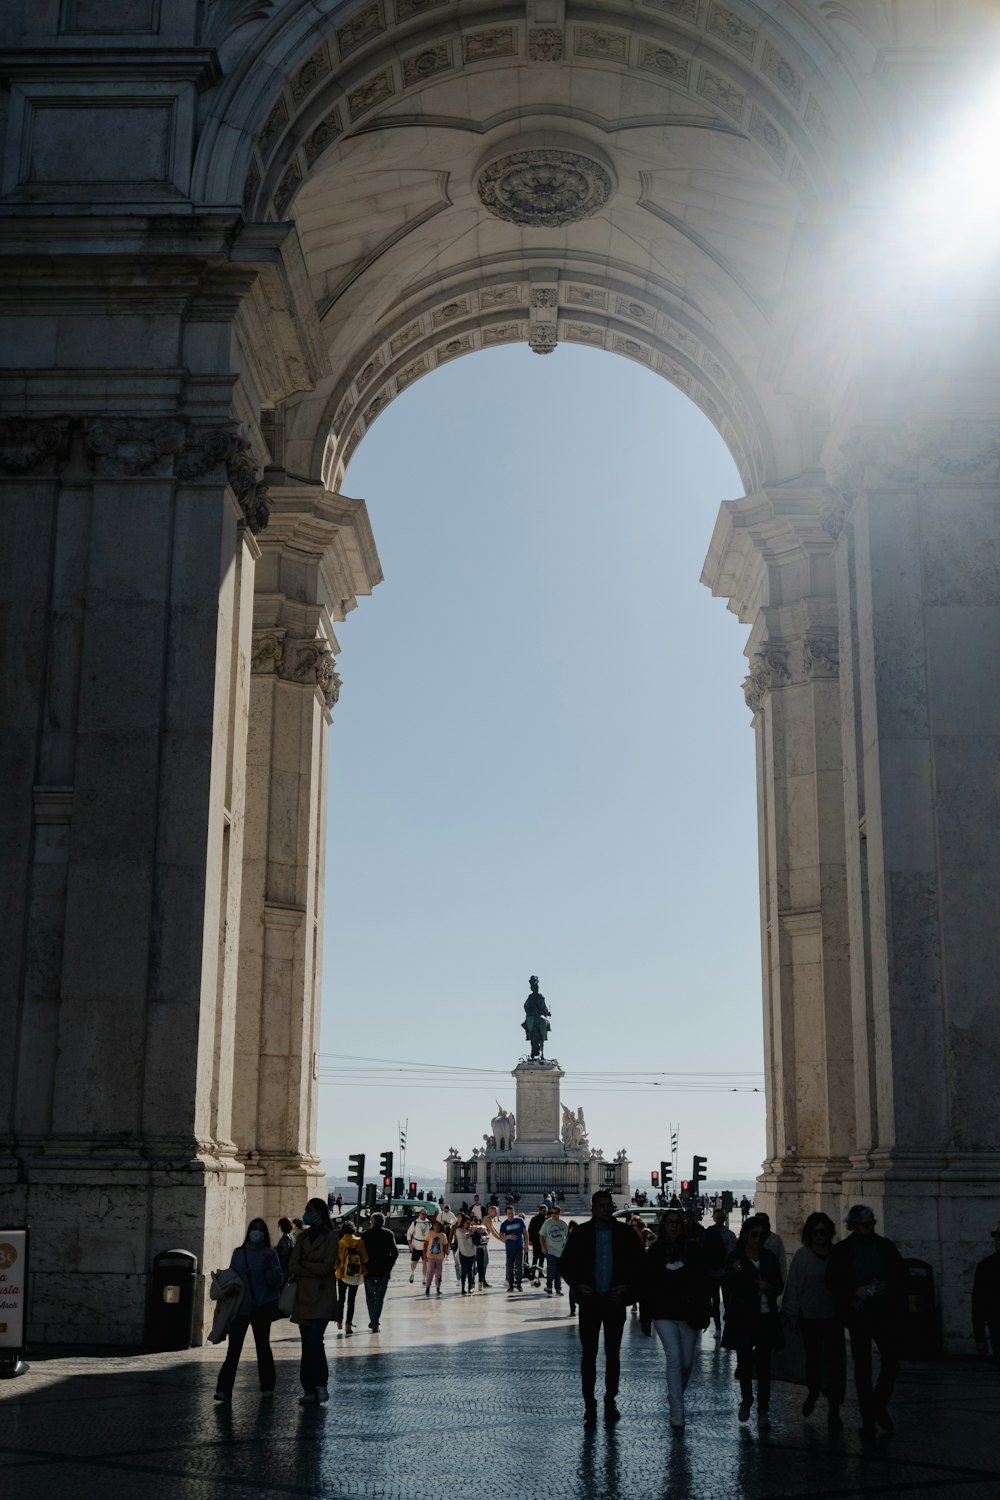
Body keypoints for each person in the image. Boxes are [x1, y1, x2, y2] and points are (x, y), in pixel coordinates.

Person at [560, 1189, 647, 1424]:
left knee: (613, 1355)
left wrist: (627, 1287)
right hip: (590, 1302)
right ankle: (590, 1403)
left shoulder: (625, 1233)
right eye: (602, 1205)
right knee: (588, 1355)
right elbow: (566, 1264)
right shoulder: (581, 1233)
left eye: (609, 1205)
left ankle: (610, 1399)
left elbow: (640, 1265)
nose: (606, 1209)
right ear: (593, 1208)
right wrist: (578, 1285)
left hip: (614, 1302)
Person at [826, 1204, 906, 1437]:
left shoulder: (885, 1246)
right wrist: (855, 1290)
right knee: (863, 1368)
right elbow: (832, 1281)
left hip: (883, 1313)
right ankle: (868, 1418)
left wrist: (887, 1286)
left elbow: (900, 1274)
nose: (870, 1228)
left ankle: (877, 1403)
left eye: (872, 1224)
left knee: (892, 1362)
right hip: (857, 1316)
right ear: (853, 1225)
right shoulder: (843, 1250)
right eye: (865, 1224)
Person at [640, 1209, 712, 1430]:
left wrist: (706, 1309)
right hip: (663, 1312)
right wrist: (646, 1317)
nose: (673, 1226)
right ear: (663, 1227)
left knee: (687, 1362)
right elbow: (646, 1286)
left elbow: (703, 1281)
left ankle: (675, 1395)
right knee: (674, 1358)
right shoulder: (654, 1252)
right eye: (669, 1222)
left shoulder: (693, 1250)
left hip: (688, 1313)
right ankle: (677, 1410)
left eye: (677, 1222)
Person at [782, 1212, 846, 1430]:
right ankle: (813, 1391)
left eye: (823, 1231)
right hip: (809, 1319)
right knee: (813, 1361)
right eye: (815, 1231)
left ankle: (834, 1408)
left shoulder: (837, 1255)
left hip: (833, 1318)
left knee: (836, 1365)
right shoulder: (802, 1256)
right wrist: (790, 1313)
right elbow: (792, 1287)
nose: (819, 1235)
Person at [722, 1216, 784, 1430]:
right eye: (754, 1234)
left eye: (762, 1235)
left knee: (765, 1367)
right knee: (745, 1364)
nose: (758, 1239)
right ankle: (747, 1399)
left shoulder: (769, 1258)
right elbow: (728, 1284)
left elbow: (779, 1285)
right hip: (743, 1318)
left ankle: (763, 1410)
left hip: (766, 1317)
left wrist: (769, 1286)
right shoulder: (735, 1258)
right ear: (746, 1235)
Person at [214, 1218, 284, 1402]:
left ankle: (268, 1386)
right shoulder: (238, 1254)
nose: (257, 1232)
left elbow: (277, 1281)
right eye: (254, 1229)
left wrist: (269, 1265)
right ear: (249, 1232)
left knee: (263, 1347)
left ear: (265, 1234)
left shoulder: (270, 1253)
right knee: (233, 1349)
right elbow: (233, 1277)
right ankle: (224, 1389)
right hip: (240, 1309)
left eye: (260, 1229)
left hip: (262, 1307)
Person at [287, 1197, 340, 1405]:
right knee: (306, 1344)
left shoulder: (331, 1237)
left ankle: (320, 1384)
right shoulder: (302, 1237)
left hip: (322, 1297)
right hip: (304, 1297)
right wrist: (313, 1267)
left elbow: (327, 1266)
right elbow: (293, 1265)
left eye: (309, 1210)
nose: (306, 1214)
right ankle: (308, 1389)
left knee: (314, 1340)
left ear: (319, 1213)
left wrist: (305, 1266)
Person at [700, 1206, 737, 1335]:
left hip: (726, 1273)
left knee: (727, 1301)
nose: (720, 1220)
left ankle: (727, 1326)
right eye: (718, 1218)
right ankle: (717, 1327)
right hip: (712, 1273)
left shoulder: (730, 1235)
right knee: (715, 1301)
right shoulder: (708, 1233)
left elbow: (734, 1253)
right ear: (714, 1218)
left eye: (722, 1218)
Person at [361, 1211, 398, 1332]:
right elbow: (395, 1253)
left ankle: (373, 1321)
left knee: (370, 1297)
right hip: (383, 1271)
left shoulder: (366, 1235)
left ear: (373, 1222)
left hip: (369, 1270)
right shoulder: (388, 1234)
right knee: (379, 1298)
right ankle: (375, 1321)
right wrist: (389, 1266)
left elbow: (361, 1253)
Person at [973, 1222, 1000, 1372]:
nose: (996, 1239)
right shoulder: (986, 1266)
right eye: (995, 1235)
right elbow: (978, 1304)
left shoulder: (987, 1266)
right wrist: (980, 1337)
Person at [334, 1218, 367, 1336]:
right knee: (351, 1300)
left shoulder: (340, 1243)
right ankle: (348, 1324)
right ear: (353, 1230)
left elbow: (336, 1261)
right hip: (356, 1275)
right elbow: (365, 1258)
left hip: (342, 1274)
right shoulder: (359, 1241)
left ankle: (339, 1321)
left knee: (341, 1299)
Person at [540, 1204, 569, 1295]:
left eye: (555, 1213)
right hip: (550, 1250)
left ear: (559, 1213)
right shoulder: (547, 1223)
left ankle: (558, 1289)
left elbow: (566, 1237)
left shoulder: (563, 1224)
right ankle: (549, 1287)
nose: (553, 1214)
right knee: (551, 1270)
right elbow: (541, 1235)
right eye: (552, 1213)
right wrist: (543, 1247)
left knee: (559, 1272)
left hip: (561, 1252)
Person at [499, 1205, 527, 1292]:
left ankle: (519, 1284)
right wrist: (509, 1236)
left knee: (520, 1266)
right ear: (506, 1214)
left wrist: (526, 1244)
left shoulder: (520, 1221)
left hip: (519, 1247)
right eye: (509, 1213)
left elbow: (525, 1233)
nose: (511, 1215)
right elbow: (501, 1237)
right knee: (510, 1267)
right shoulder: (504, 1224)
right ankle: (511, 1285)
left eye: (512, 1213)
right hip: (510, 1249)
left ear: (514, 1212)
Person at [755, 1211, 787, 1280]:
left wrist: (783, 1279)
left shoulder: (776, 1239)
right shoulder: (750, 1238)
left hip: (772, 1277)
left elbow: (782, 1260)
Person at [423, 1212, 449, 1295]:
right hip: (430, 1256)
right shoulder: (430, 1233)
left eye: (438, 1225)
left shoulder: (443, 1235)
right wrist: (424, 1255)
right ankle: (428, 1287)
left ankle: (438, 1287)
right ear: (433, 1226)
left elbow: (445, 1246)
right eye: (435, 1225)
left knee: (438, 1273)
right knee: (430, 1272)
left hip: (439, 1257)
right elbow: (425, 1244)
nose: (437, 1227)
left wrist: (445, 1254)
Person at [454, 1212, 478, 1294]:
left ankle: (470, 1287)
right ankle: (463, 1288)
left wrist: (476, 1231)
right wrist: (472, 1233)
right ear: (463, 1223)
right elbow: (463, 1236)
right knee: (464, 1271)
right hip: (463, 1253)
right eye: (467, 1223)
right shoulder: (458, 1230)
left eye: (469, 1223)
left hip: (472, 1252)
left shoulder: (472, 1229)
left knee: (470, 1271)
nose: (468, 1225)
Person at [406, 1207, 431, 1283]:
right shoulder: (415, 1222)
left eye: (425, 1214)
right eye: (423, 1214)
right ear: (420, 1214)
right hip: (416, 1245)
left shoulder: (428, 1223)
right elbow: (409, 1233)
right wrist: (410, 1244)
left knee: (425, 1263)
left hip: (425, 1246)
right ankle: (412, 1273)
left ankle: (424, 1278)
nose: (424, 1215)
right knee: (414, 1262)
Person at [528, 1205, 548, 1271]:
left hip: (544, 1241)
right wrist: (530, 1240)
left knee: (542, 1258)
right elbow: (530, 1230)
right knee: (535, 1257)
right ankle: (533, 1272)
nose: (545, 1212)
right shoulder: (534, 1219)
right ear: (540, 1211)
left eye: (546, 1211)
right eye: (544, 1211)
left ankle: (540, 1273)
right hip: (536, 1241)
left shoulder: (547, 1220)